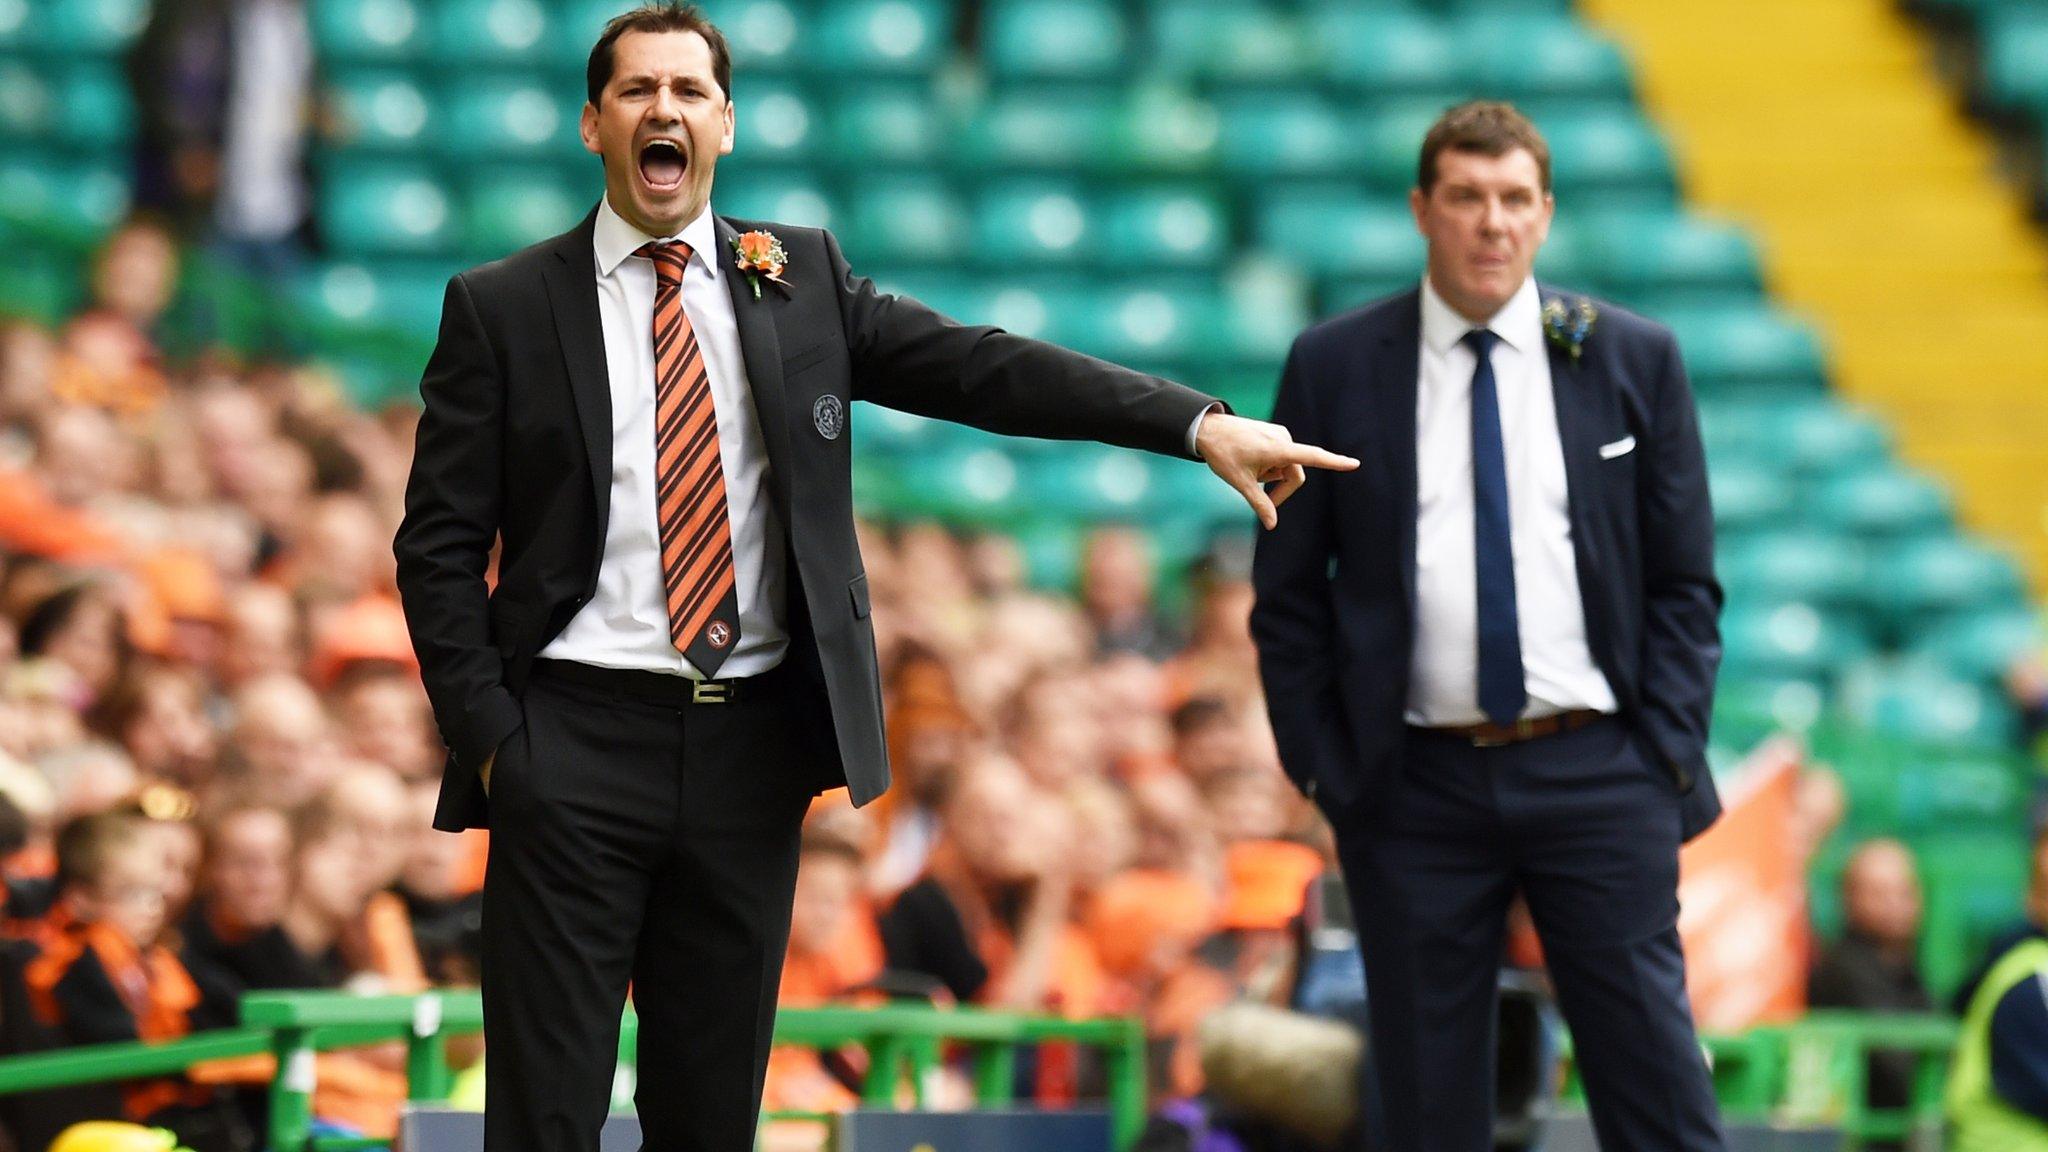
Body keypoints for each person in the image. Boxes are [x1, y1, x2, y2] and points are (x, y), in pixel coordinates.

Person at [389, 6, 1356, 1150]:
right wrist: (501, 742)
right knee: (544, 1116)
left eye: (690, 91)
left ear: (726, 126)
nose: (665, 110)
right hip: (572, 741)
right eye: (638, 90)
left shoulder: (795, 276)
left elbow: (984, 370)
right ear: (592, 122)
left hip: (749, 746)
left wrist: (1195, 425)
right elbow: (436, 546)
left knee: (709, 1119)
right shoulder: (503, 305)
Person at [1250, 101, 1726, 1152]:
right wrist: (1332, 775)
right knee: (1422, 1104)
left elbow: (1683, 585)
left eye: (1513, 200)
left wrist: (1662, 757)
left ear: (1544, 216)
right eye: (1465, 197)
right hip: (1411, 783)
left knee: (1653, 1077)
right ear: (1421, 209)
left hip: (1599, 766)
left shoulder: (1628, 357)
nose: (1490, 223)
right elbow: (1285, 597)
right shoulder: (1333, 364)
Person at [1808, 838, 1932, 1129]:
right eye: (1878, 892)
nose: (1895, 904)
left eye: (1904, 891)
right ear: (1848, 897)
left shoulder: (1906, 966)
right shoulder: (1843, 967)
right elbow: (1899, 1067)